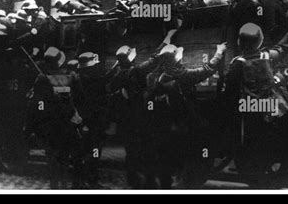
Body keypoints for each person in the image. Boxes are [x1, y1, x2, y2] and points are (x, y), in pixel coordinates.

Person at [144, 40, 227, 188]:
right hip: (185, 126)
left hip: (166, 127)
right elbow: (207, 70)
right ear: (175, 58)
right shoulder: (181, 75)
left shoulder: (156, 77)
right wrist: (219, 52)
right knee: (197, 154)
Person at [223, 17, 288, 171]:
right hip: (269, 106)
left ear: (239, 42)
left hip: (248, 108)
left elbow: (230, 90)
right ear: (260, 41)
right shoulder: (267, 56)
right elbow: (281, 48)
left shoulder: (238, 62)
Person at [106, 30, 176, 188]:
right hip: (141, 118)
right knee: (147, 149)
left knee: (130, 152)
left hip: (126, 120)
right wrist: (167, 38)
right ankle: (148, 182)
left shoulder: (118, 76)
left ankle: (133, 181)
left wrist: (117, 65)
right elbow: (155, 58)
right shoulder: (137, 71)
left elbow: (109, 85)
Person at [25, 46, 80, 189]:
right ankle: (65, 184)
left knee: (52, 158)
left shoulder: (42, 79)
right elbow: (81, 99)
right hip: (69, 123)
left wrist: (29, 126)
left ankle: (55, 186)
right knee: (65, 157)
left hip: (49, 125)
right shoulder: (72, 77)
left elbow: (36, 104)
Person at [70, 52, 108, 187]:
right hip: (93, 124)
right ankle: (91, 180)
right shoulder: (96, 81)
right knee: (94, 152)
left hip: (79, 123)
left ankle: (78, 182)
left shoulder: (75, 80)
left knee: (79, 154)